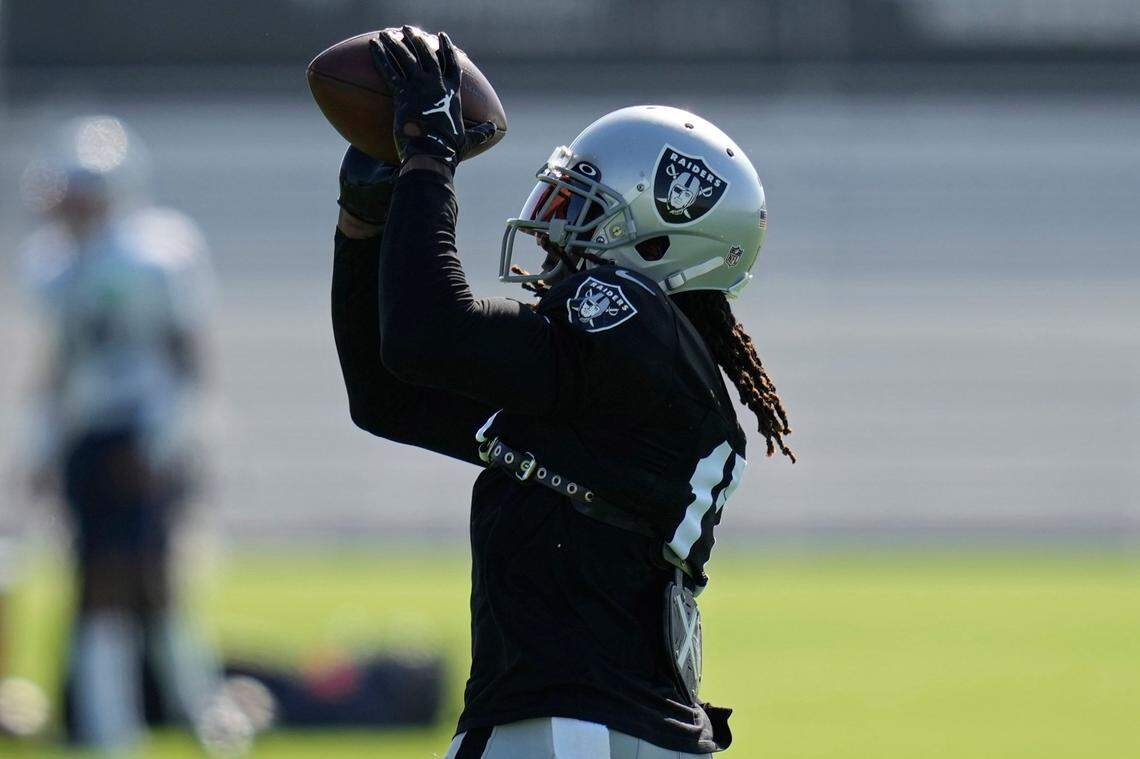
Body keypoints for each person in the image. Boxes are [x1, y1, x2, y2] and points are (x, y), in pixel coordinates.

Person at [330, 26, 793, 758]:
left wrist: (429, 158)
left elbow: (429, 330)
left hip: (562, 731)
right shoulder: (636, 381)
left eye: (583, 204)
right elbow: (388, 395)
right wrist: (364, 221)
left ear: (658, 237)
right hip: (629, 729)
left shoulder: (629, 319)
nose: (553, 221)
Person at [19, 115, 218, 751]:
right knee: (102, 580)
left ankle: (180, 715)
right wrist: (42, 445)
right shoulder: (51, 263)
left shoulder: (155, 252)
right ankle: (115, 727)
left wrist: (166, 441)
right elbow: (54, 366)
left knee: (151, 583)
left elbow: (185, 353)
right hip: (89, 436)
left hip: (140, 432)